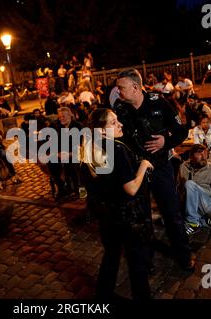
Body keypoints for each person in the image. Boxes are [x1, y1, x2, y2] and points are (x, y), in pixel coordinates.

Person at [114, 68, 195, 271]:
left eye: (121, 87)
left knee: (171, 212)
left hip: (160, 167)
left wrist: (165, 141)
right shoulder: (120, 109)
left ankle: (183, 254)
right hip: (137, 172)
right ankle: (146, 259)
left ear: (135, 87)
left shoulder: (158, 102)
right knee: (142, 218)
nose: (118, 91)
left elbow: (181, 130)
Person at [81, 108, 154, 300]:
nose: (120, 124)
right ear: (102, 130)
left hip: (107, 216)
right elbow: (131, 188)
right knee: (137, 261)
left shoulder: (89, 150)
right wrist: (143, 165)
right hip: (127, 216)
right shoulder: (117, 149)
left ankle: (103, 295)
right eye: (113, 122)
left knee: (111, 256)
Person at [178, 144, 211, 236]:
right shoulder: (184, 167)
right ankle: (203, 221)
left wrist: (198, 190)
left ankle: (192, 223)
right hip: (192, 204)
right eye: (199, 154)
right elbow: (179, 187)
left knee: (190, 184)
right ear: (191, 156)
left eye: (205, 154)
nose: (203, 157)